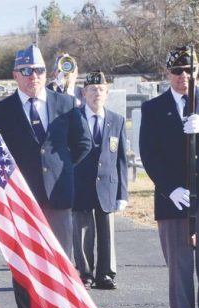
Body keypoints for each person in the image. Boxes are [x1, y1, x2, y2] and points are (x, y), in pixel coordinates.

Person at [0, 45, 91, 308]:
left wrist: (61, 170)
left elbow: (83, 143)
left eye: (39, 70)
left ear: (47, 73)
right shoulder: (0, 112)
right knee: (25, 264)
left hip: (57, 197)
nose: (33, 76)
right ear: (16, 74)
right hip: (21, 201)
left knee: (60, 262)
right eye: (26, 71)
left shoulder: (66, 104)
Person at [140, 46, 199, 308]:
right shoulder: (154, 108)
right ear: (167, 73)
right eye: (177, 71)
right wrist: (170, 188)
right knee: (180, 267)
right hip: (175, 198)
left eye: (189, 70)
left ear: (197, 71)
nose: (183, 76)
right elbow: (150, 154)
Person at [72, 71, 128, 290]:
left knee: (107, 232)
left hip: (107, 184)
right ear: (84, 93)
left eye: (101, 89)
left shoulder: (116, 120)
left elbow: (121, 158)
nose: (97, 93)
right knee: (82, 231)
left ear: (107, 93)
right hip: (80, 183)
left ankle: (106, 274)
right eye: (92, 89)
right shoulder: (73, 118)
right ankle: (84, 274)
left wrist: (122, 193)